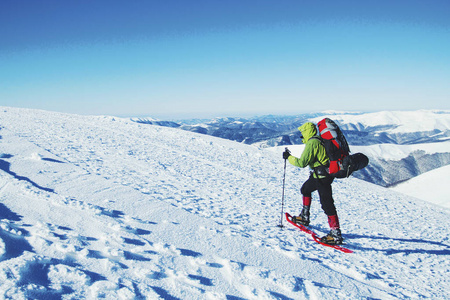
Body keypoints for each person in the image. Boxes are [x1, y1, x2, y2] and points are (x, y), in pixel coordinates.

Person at [283, 122, 343, 245]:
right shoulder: (318, 139)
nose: (301, 135)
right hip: (318, 175)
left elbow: (302, 163)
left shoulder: (312, 143)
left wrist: (288, 157)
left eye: (302, 133)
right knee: (305, 189)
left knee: (327, 204)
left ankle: (335, 233)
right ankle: (304, 216)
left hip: (322, 177)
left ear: (307, 132)